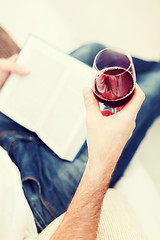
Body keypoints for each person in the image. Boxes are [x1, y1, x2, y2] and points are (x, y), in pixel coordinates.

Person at [0, 29, 159, 239]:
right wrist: (102, 162)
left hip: (4, 136)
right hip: (35, 200)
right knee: (153, 85)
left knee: (92, 51)